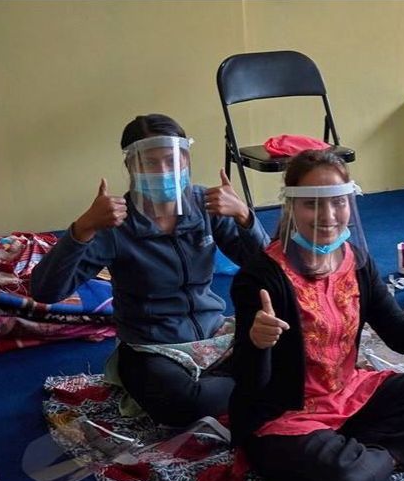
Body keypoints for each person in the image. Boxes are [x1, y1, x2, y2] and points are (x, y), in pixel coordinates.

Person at [229, 150, 404, 481]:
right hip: (286, 416)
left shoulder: (354, 260)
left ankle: (370, 459)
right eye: (312, 205)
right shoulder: (261, 276)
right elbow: (249, 386)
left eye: (338, 203)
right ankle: (367, 460)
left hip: (349, 396)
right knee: (345, 476)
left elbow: (400, 338)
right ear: (291, 207)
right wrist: (258, 343)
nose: (327, 217)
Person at [31, 114, 270, 425]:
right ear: (132, 167)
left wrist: (244, 217)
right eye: (150, 163)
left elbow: (270, 269)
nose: (163, 171)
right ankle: (253, 387)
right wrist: (82, 229)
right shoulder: (115, 224)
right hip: (151, 347)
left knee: (293, 351)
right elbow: (45, 291)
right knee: (185, 404)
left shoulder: (206, 205)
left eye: (171, 160)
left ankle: (241, 383)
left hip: (215, 334)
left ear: (186, 160)